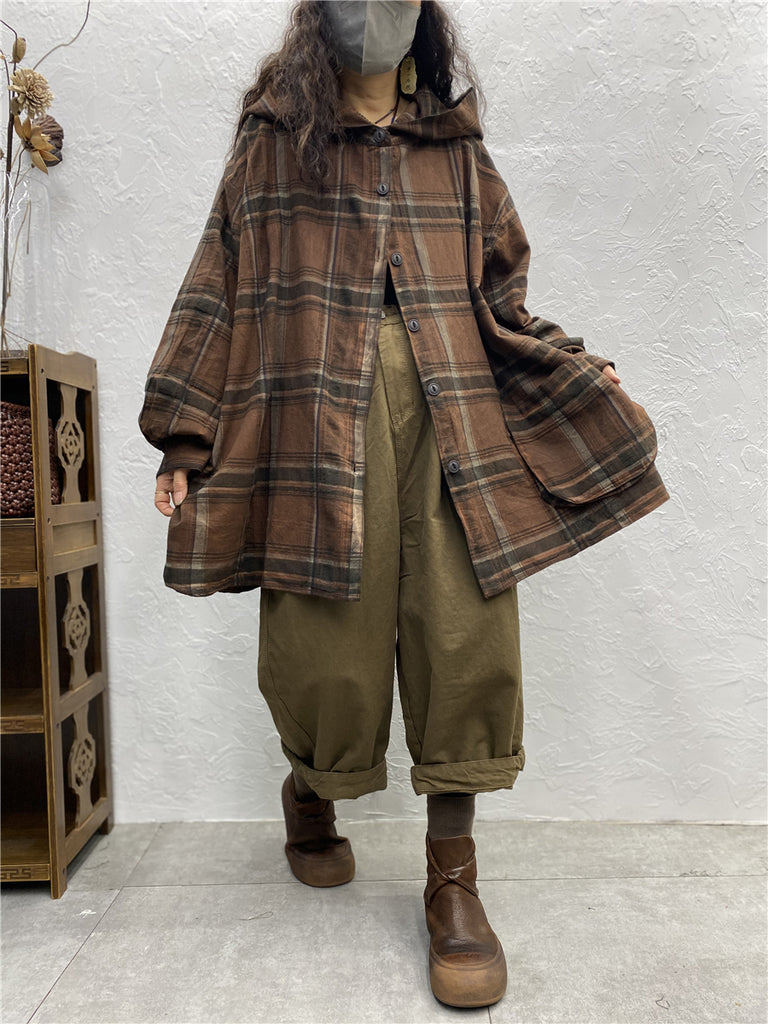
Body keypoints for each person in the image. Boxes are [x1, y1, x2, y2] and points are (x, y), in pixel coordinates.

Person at [139, 0, 668, 1008]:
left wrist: (574, 364)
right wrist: (183, 430)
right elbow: (219, 284)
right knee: (323, 648)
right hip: (313, 422)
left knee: (465, 635)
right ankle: (312, 787)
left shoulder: (455, 149)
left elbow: (502, 296)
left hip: (452, 414)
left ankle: (453, 880)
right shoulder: (274, 145)